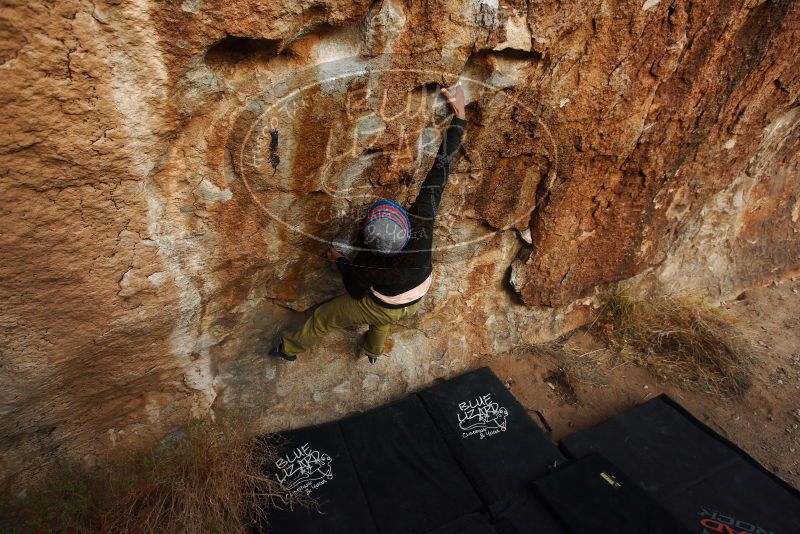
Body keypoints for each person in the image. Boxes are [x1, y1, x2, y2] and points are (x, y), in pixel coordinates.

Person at [268, 85, 467, 364]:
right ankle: (373, 351)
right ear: (407, 228)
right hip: (416, 294)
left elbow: (357, 291)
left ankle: (288, 349)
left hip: (388, 301)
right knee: (383, 314)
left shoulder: (368, 267)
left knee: (327, 317)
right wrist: (459, 120)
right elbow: (439, 172)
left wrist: (340, 261)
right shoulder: (422, 227)